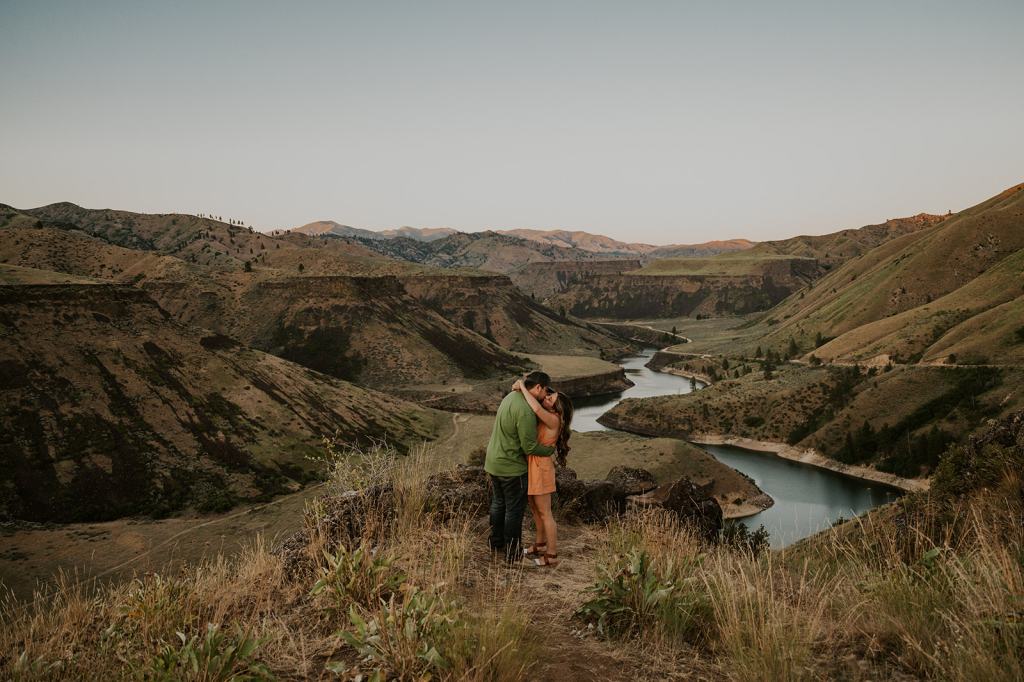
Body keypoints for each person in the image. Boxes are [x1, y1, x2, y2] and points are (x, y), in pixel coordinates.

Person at [484, 371, 556, 562]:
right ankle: (513, 552)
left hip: (493, 461)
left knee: (498, 503)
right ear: (538, 387)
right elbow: (529, 446)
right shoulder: (526, 410)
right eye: (546, 390)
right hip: (511, 467)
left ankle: (496, 543)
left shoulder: (510, 396)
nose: (546, 395)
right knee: (513, 510)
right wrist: (549, 451)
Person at [513, 379, 573, 568]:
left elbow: (536, 409)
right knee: (535, 510)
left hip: (541, 467)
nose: (546, 398)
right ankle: (539, 545)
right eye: (547, 395)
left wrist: (523, 387)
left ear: (558, 407)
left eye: (551, 398)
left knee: (545, 513)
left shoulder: (553, 418)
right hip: (534, 464)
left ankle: (552, 555)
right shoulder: (548, 414)